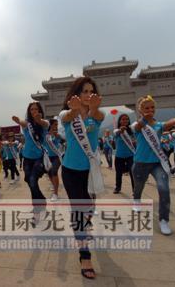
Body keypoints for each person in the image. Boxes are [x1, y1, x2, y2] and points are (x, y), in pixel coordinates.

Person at [59, 76, 104, 279]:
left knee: (89, 209)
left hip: (90, 173)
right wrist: (76, 109)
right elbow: (67, 117)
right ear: (76, 94)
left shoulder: (98, 115)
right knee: (79, 210)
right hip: (70, 171)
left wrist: (92, 109)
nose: (88, 95)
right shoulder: (66, 114)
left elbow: (97, 116)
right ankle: (84, 256)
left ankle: (84, 225)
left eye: (91, 91)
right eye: (84, 91)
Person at [131, 95, 175, 236]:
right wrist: (145, 118)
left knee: (164, 189)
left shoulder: (158, 125)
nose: (150, 110)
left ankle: (164, 220)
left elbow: (168, 123)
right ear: (140, 110)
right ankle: (136, 199)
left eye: (152, 107)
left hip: (158, 163)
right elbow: (138, 126)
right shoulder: (137, 125)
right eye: (146, 108)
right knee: (138, 187)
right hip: (140, 163)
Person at [12, 102, 49, 222]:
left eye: (36, 109)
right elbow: (23, 122)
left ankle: (37, 211)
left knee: (33, 181)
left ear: (40, 111)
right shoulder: (27, 124)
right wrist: (18, 121)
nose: (34, 111)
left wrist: (39, 120)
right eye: (32, 109)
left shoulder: (44, 123)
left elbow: (44, 123)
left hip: (38, 157)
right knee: (28, 180)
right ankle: (42, 200)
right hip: (26, 157)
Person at [113, 114, 136, 194]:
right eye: (123, 119)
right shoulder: (116, 131)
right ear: (119, 121)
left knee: (133, 173)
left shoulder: (132, 130)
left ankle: (135, 190)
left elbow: (135, 140)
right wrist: (121, 130)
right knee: (118, 173)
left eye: (127, 119)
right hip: (119, 156)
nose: (125, 121)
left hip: (130, 156)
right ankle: (117, 187)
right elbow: (117, 132)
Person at [44, 119, 63, 201]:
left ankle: (55, 193)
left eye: (57, 124)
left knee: (54, 171)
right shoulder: (45, 135)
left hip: (56, 156)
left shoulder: (57, 134)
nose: (56, 126)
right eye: (55, 124)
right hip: (47, 157)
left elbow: (60, 142)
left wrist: (57, 136)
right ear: (50, 125)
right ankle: (53, 184)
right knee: (49, 173)